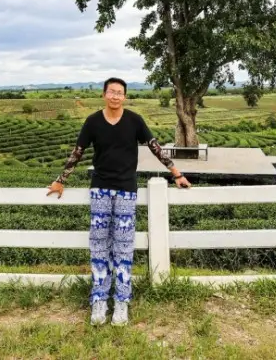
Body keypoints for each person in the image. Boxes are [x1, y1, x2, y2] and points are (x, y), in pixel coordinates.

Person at [46, 77, 191, 326]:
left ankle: (122, 302)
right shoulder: (92, 121)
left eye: (120, 92)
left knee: (124, 247)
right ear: (104, 94)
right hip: (100, 191)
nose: (115, 96)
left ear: (124, 96)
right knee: (99, 246)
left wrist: (175, 173)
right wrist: (61, 180)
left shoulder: (135, 120)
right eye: (111, 92)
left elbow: (155, 147)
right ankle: (99, 300)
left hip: (126, 192)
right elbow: (77, 153)